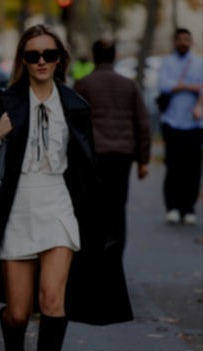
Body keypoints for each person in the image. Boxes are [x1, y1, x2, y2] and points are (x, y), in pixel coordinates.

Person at [0, 24, 132, 351]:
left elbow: (87, 166)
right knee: (18, 311)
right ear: (23, 61)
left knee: (52, 301)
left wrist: (103, 216)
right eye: (33, 55)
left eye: (49, 54)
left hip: (60, 205)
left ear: (61, 59)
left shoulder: (76, 105)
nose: (42, 62)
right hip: (18, 205)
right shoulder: (4, 101)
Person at [74, 39, 151, 259]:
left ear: (94, 56)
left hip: (94, 156)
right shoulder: (128, 85)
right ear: (115, 57)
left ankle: (95, 252)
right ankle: (115, 254)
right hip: (122, 155)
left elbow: (74, 123)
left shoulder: (84, 84)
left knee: (93, 207)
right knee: (117, 207)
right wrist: (143, 161)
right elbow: (142, 123)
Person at [157, 28, 203, 225]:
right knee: (173, 166)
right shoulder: (167, 63)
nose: (183, 42)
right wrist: (189, 86)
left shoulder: (199, 63)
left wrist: (182, 86)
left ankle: (188, 207)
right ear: (175, 42)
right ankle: (173, 207)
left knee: (192, 168)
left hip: (194, 123)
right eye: (180, 39)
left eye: (186, 39)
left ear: (191, 42)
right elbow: (164, 85)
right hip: (172, 121)